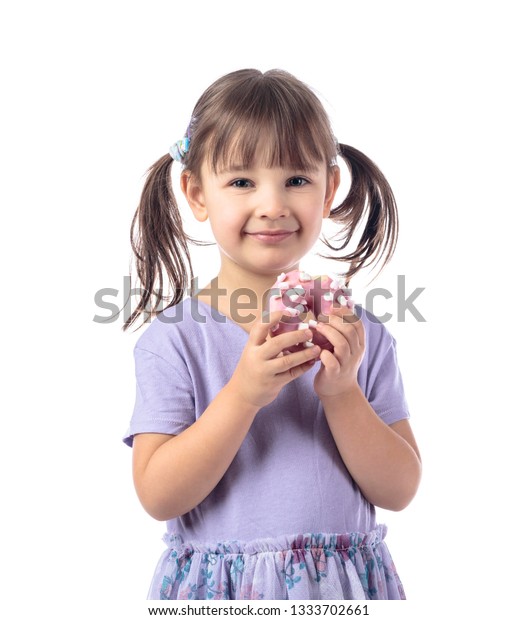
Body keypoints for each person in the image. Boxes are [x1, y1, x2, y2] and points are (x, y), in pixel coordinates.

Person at [122, 68, 421, 601]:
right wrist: (242, 395)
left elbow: (399, 490)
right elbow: (158, 495)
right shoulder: (175, 340)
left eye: (297, 180)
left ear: (328, 189)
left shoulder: (360, 335)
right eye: (241, 181)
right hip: (224, 596)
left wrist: (344, 393)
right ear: (196, 193)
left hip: (343, 593)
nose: (274, 204)